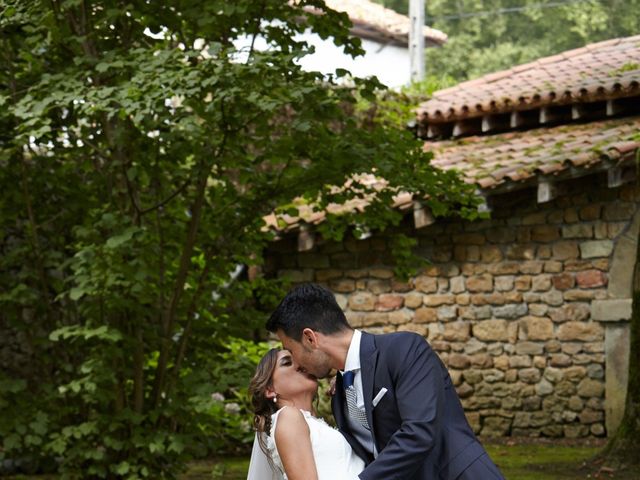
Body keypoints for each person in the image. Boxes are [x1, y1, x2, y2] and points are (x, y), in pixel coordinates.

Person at [265, 283, 505, 480]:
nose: (295, 362)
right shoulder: (340, 393)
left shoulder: (405, 349)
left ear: (310, 338)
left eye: (290, 349)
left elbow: (418, 433)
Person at [247, 348, 365, 480]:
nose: (300, 365)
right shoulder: (288, 416)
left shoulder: (312, 423)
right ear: (269, 389)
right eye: (287, 363)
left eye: (299, 360)